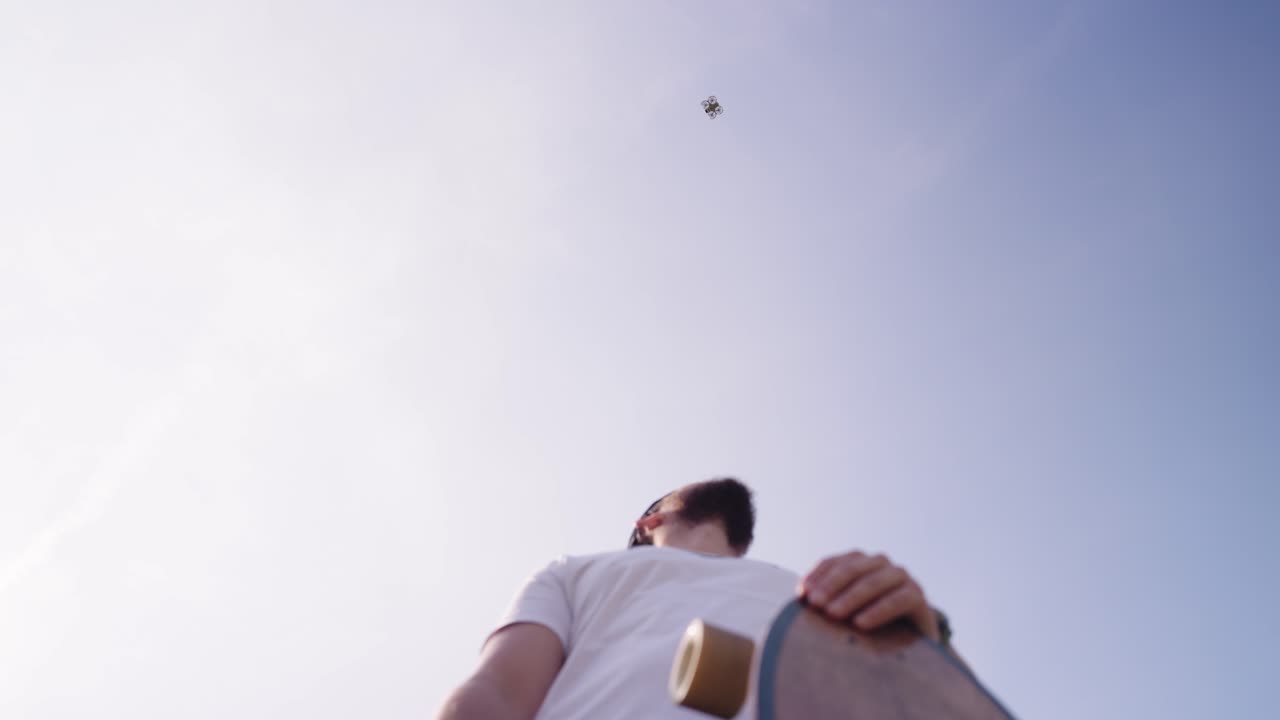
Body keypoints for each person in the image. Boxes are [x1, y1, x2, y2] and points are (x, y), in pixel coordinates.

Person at [435, 477, 961, 719]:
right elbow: (498, 692)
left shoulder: (816, 589)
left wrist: (925, 645)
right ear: (649, 521)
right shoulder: (575, 573)